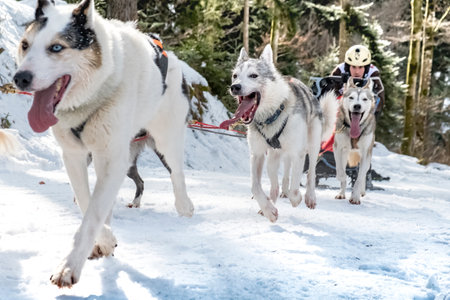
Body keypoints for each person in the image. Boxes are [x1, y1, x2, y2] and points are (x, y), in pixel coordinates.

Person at [330, 44, 385, 120]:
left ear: (366, 68)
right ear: (347, 66)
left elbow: (380, 99)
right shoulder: (339, 70)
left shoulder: (373, 73)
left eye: (360, 67)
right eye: (353, 67)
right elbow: (330, 93)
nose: (357, 72)